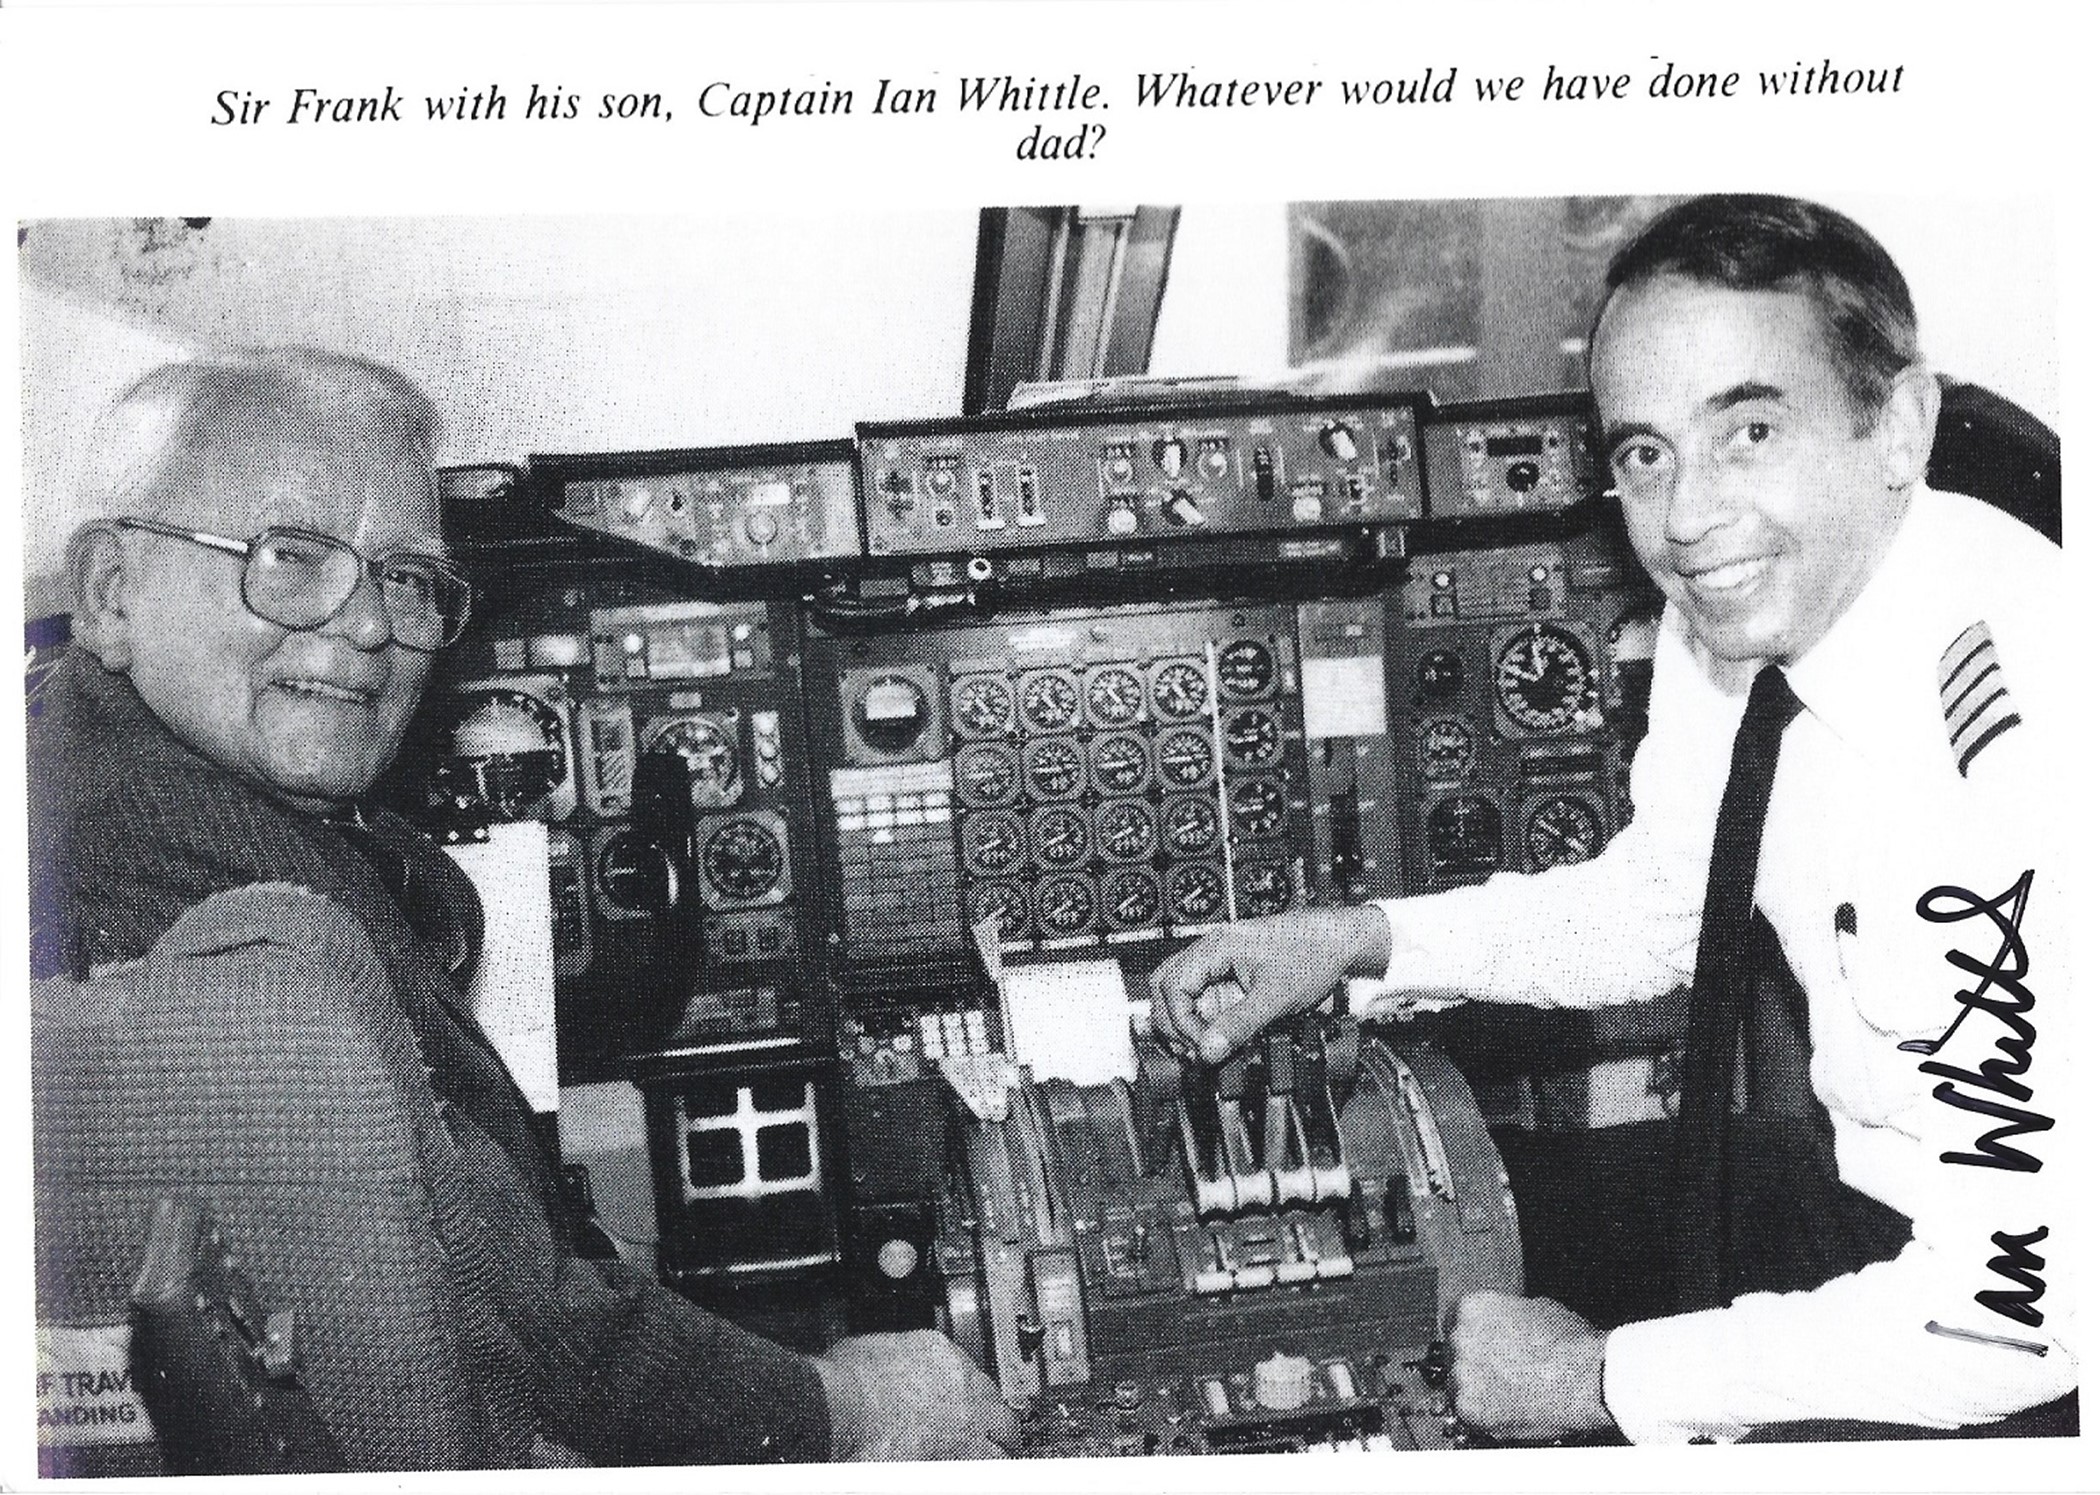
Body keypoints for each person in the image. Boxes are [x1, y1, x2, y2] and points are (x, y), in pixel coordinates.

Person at [1152, 196, 2073, 1443]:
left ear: (1898, 423)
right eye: (1646, 452)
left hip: (2018, 1346)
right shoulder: (1748, 611)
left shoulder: (2013, 761)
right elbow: (1664, 909)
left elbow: (2016, 1312)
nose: (1687, 518)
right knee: (1443, 1227)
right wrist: (1361, 939)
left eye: (1749, 428)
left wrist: (1601, 1379)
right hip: (1877, 1192)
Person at [27, 348, 1016, 1466]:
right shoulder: (168, 872)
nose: (365, 626)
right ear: (111, 590)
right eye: (290, 557)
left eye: (404, 577)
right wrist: (837, 1408)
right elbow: (498, 1298)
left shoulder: (139, 774)